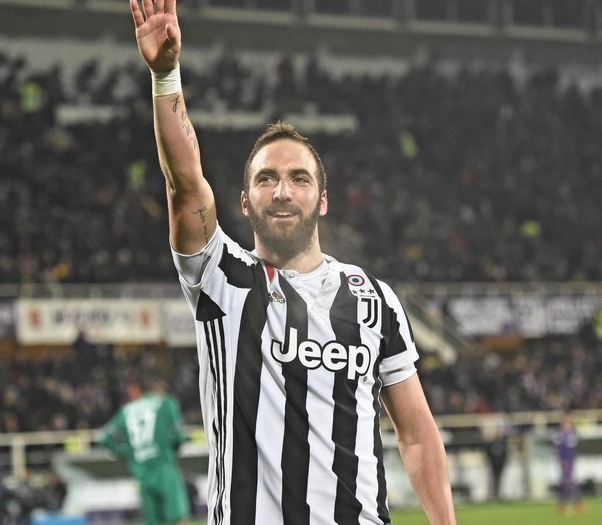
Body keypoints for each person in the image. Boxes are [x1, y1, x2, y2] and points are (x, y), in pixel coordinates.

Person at [126, 1, 457, 523]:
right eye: (266, 179)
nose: (282, 191)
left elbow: (416, 433)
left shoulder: (374, 300)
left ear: (322, 200)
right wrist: (166, 76)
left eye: (299, 179)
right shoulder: (221, 279)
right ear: (244, 202)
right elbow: (184, 184)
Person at [97, 380, 190, 525]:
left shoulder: (127, 410)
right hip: (164, 466)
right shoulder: (166, 403)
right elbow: (179, 436)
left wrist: (127, 452)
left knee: (153, 521)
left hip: (141, 472)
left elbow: (104, 438)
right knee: (177, 516)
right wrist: (171, 448)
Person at [553, 415, 585, 517]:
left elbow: (572, 450)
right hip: (566, 462)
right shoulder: (562, 435)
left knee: (567, 483)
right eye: (568, 423)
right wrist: (564, 462)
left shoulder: (570, 434)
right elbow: (561, 451)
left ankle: (564, 505)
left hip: (570, 462)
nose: (570, 425)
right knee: (568, 483)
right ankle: (575, 504)